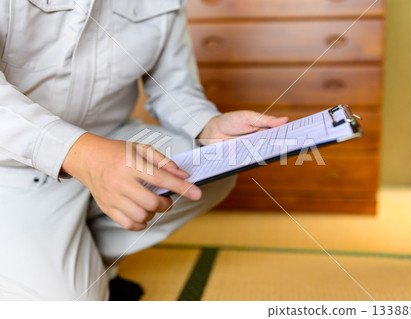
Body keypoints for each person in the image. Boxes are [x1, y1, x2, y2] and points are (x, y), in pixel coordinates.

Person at [0, 0, 288, 300]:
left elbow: (175, 89)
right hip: (14, 166)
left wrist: (208, 125)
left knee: (211, 168)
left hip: (115, 144)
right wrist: (82, 153)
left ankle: (86, 257)